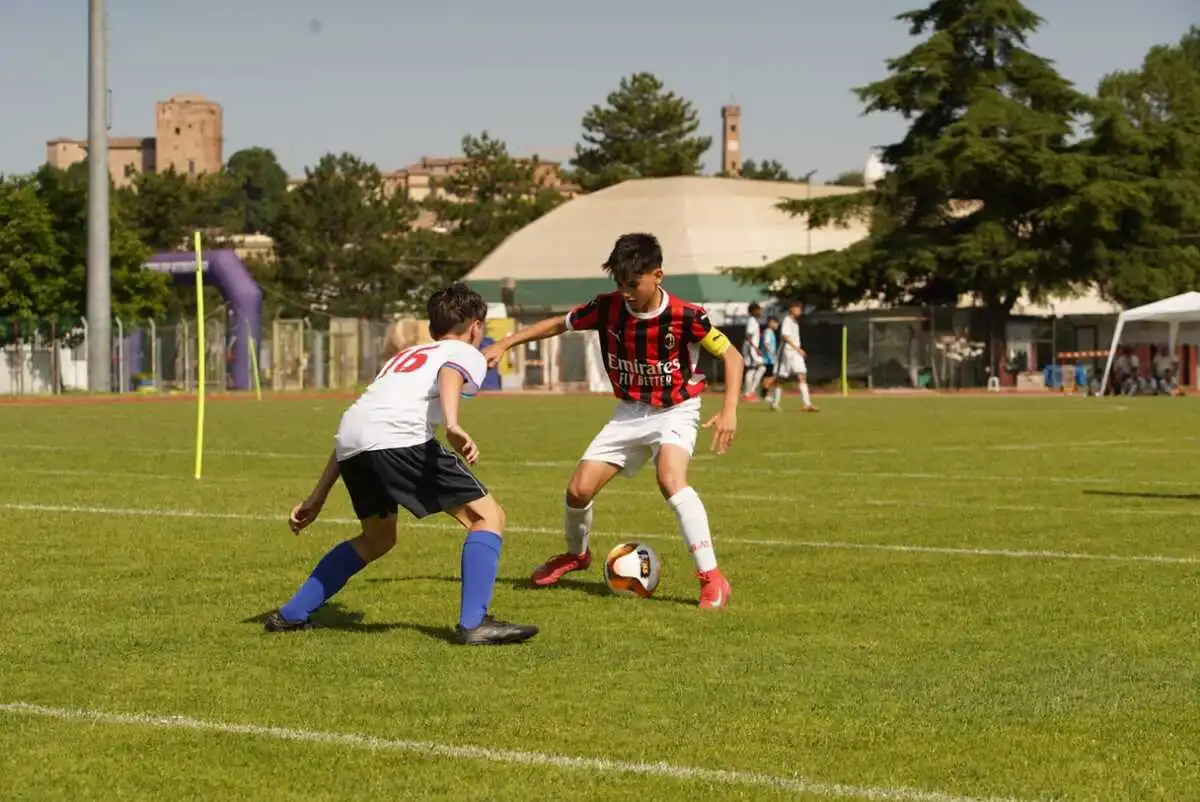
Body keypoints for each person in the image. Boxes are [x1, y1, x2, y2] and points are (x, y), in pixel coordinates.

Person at [265, 283, 538, 646]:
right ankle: (475, 623)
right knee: (488, 516)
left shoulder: (404, 357)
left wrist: (317, 497)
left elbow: (357, 426)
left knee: (378, 537)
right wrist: (453, 424)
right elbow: (451, 372)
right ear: (475, 326)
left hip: (354, 444)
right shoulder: (464, 350)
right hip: (399, 439)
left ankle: (291, 614)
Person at [483, 233, 742, 609]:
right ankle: (576, 555)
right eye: (620, 284)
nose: (626, 293)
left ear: (658, 275)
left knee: (670, 479)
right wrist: (505, 343)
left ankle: (712, 577)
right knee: (578, 491)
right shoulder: (607, 308)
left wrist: (729, 410)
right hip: (630, 412)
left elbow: (733, 357)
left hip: (675, 409)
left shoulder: (687, 316)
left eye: (633, 284)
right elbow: (558, 324)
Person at [771, 300, 819, 412]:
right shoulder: (787, 320)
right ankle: (775, 402)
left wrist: (798, 350)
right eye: (798, 309)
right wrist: (798, 349)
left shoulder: (794, 322)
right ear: (791, 309)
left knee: (801, 375)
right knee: (781, 378)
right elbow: (785, 337)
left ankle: (807, 404)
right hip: (788, 352)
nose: (799, 311)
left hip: (795, 353)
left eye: (800, 309)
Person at [742, 302, 765, 401]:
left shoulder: (754, 321)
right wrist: (756, 348)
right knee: (757, 368)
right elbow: (748, 336)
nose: (761, 312)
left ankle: (750, 393)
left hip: (752, 348)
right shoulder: (752, 320)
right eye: (759, 310)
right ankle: (748, 393)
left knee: (755, 369)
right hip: (750, 348)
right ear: (754, 311)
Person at [761, 316, 780, 407]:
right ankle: (764, 393)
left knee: (769, 377)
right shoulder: (768, 331)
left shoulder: (770, 332)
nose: (777, 325)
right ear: (771, 322)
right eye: (776, 323)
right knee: (771, 377)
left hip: (769, 358)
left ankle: (765, 393)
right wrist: (772, 354)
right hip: (769, 358)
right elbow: (766, 343)